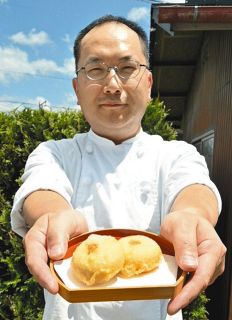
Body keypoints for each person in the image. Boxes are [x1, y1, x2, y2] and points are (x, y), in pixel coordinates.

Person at [11, 15, 226, 320]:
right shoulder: (54, 153)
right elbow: (43, 187)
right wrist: (53, 217)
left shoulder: (176, 153)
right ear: (76, 88)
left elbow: (193, 187)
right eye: (96, 69)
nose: (112, 84)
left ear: (149, 84)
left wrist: (192, 217)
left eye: (127, 68)